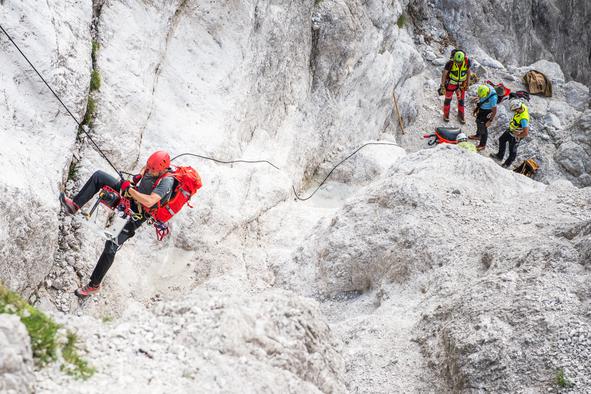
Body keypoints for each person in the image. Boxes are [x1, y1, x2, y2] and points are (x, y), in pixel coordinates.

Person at [59, 151, 175, 298]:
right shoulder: (153, 166)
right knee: (99, 176)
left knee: (111, 246)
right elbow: (145, 169)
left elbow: (149, 201)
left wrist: (130, 189)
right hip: (131, 196)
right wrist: (138, 177)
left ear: (163, 169)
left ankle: (94, 285)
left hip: (137, 214)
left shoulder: (167, 182)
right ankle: (75, 205)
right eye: (149, 167)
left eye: (153, 170)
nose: (150, 171)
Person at [491, 100, 530, 168]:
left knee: (512, 150)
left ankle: (507, 164)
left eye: (515, 110)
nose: (514, 112)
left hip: (516, 135)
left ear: (518, 109)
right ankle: (499, 156)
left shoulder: (524, 119)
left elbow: (526, 133)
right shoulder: (522, 106)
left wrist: (518, 136)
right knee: (502, 140)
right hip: (511, 130)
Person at [439, 49, 471, 124]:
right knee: (447, 100)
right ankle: (446, 114)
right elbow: (444, 74)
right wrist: (443, 86)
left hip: (461, 85)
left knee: (461, 101)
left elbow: (468, 72)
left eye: (459, 62)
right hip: (451, 84)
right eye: (456, 61)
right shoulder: (450, 63)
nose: (458, 63)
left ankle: (461, 115)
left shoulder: (467, 61)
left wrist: (467, 83)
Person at [469, 84, 498, 151]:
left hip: (487, 111)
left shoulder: (493, 98)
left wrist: (490, 121)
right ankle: (478, 135)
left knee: (484, 127)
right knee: (478, 121)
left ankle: (482, 145)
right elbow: (482, 94)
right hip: (482, 108)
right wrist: (479, 97)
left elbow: (494, 110)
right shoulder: (485, 87)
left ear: (487, 93)